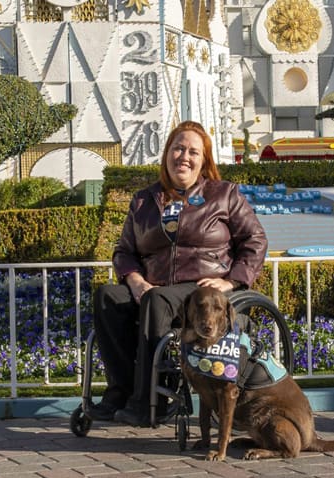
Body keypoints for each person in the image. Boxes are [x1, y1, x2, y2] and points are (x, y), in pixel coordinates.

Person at [90, 121, 268, 427]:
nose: (184, 156)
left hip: (201, 291)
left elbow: (255, 240)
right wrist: (133, 279)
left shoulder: (223, 194)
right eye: (178, 148)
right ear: (167, 155)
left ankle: (151, 403)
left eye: (193, 152)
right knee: (107, 296)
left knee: (157, 299)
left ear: (204, 161)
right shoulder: (144, 201)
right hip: (153, 288)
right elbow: (124, 251)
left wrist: (230, 281)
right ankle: (120, 392)